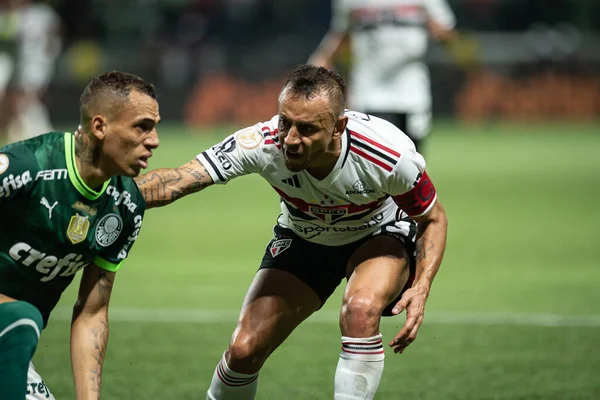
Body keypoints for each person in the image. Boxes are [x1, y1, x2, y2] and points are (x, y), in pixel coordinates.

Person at [136, 64, 447, 399]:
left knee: (360, 309)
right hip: (304, 236)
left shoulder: (386, 155)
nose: (291, 139)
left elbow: (433, 219)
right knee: (243, 351)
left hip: (379, 233)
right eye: (286, 122)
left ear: (338, 127)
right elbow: (179, 180)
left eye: (308, 128)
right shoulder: (262, 143)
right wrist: (111, 197)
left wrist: (422, 285)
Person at [0, 71, 160, 399]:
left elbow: (92, 313)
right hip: (13, 327)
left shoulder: (125, 206)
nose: (154, 140)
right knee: (22, 317)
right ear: (100, 127)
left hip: (10, 340)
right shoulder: (28, 166)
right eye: (142, 126)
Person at [308, 0, 460, 154]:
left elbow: (450, 35)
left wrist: (437, 29)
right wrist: (322, 60)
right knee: (372, 161)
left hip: (411, 91)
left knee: (412, 159)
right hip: (370, 92)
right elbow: (341, 32)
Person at [0, 0, 62, 143]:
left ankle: (43, 137)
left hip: (35, 66)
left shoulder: (42, 14)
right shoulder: (5, 15)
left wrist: (50, 54)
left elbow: (55, 34)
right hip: (14, 66)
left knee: (28, 101)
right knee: (20, 103)